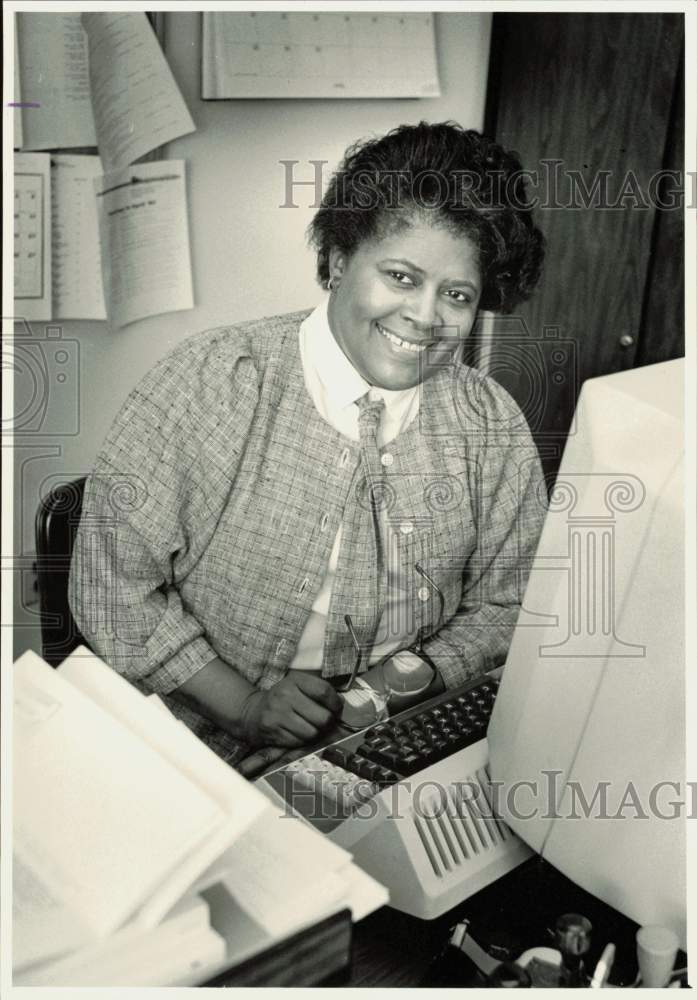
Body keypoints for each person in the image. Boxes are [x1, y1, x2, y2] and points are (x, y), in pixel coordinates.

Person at [69, 121, 547, 770]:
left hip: (383, 746)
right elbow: (111, 588)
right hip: (186, 753)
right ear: (339, 259)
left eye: (455, 294)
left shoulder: (489, 426)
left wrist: (398, 685)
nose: (427, 317)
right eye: (402, 277)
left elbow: (506, 601)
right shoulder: (210, 383)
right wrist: (243, 707)